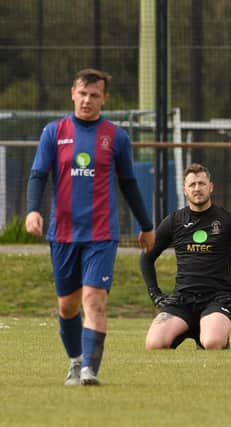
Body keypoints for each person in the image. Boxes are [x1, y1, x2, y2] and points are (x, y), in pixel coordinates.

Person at [25, 68, 156, 386]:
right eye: (82, 94)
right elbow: (39, 175)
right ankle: (76, 360)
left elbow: (129, 183)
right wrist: (32, 211)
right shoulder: (54, 132)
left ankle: (89, 371)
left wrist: (146, 224)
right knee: (67, 306)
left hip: (101, 234)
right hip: (64, 233)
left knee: (94, 300)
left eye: (94, 95)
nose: (87, 100)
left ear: (104, 99)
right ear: (73, 93)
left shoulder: (116, 137)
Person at [140, 163, 231, 350]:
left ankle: (213, 334)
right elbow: (146, 257)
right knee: (154, 344)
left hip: (217, 300)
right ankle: (188, 328)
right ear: (184, 190)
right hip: (182, 301)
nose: (197, 189)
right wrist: (156, 295)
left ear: (211, 187)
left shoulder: (228, 220)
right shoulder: (174, 221)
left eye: (201, 183)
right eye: (192, 185)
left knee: (212, 342)